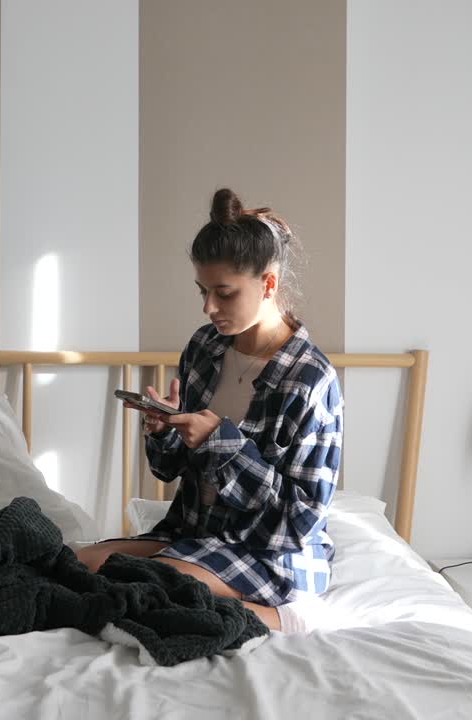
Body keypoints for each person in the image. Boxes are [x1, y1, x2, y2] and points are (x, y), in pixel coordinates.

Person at [76, 188, 343, 632]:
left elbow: (298, 522)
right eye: (203, 291)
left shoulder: (311, 379)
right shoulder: (204, 348)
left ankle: (286, 617)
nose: (208, 307)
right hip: (195, 535)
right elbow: (169, 471)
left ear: (269, 284)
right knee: (82, 562)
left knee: (147, 583)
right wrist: (163, 429)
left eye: (224, 293)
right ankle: (202, 589)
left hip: (269, 553)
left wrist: (226, 445)